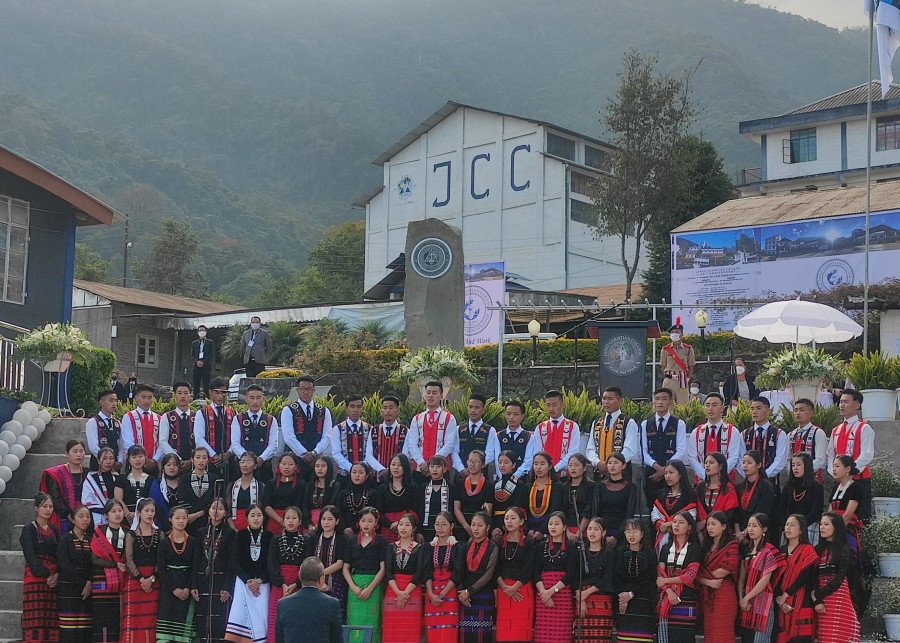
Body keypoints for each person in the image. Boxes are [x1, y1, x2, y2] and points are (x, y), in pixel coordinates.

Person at [225, 504, 273, 643]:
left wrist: (259, 581)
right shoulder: (240, 535)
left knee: (260, 617)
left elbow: (271, 562)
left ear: (263, 517)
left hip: (263, 585)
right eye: (252, 515)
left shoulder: (270, 537)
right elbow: (235, 561)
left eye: (259, 515)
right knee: (240, 615)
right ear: (247, 518)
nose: (256, 518)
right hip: (243, 584)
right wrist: (248, 580)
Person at [811, 512, 861, 643]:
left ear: (836, 527)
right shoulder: (817, 549)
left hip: (838, 597)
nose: (822, 527)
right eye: (821, 524)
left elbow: (839, 577)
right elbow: (813, 576)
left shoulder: (844, 549)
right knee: (824, 635)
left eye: (826, 524)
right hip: (821, 598)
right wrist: (817, 599)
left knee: (838, 635)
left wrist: (818, 594)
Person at [737, 512, 785, 643]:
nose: (750, 529)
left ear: (764, 529)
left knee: (760, 638)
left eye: (755, 526)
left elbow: (765, 580)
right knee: (747, 637)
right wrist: (742, 599)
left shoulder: (769, 551)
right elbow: (741, 578)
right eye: (749, 525)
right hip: (746, 602)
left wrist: (746, 598)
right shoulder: (747, 550)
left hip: (762, 600)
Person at [827, 389, 874, 520]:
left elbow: (867, 454)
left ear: (857, 405)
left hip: (859, 480)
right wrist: (834, 471)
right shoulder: (835, 430)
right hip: (840, 481)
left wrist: (850, 471)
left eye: (846, 402)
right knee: (836, 516)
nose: (842, 405)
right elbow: (830, 453)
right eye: (841, 402)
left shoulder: (864, 428)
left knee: (860, 517)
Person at [656, 511, 702, 643]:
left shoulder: (695, 549)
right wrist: (669, 591)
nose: (676, 525)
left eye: (681, 522)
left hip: (686, 600)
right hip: (666, 599)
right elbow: (660, 574)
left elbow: (689, 576)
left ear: (689, 528)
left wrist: (666, 581)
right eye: (674, 522)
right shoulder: (665, 548)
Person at [343, 506, 387, 643]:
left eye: (370, 521)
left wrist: (370, 588)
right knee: (354, 622)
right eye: (363, 520)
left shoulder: (381, 541)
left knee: (372, 621)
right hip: (354, 586)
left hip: (373, 586)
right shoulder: (351, 541)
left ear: (376, 524)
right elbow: (345, 568)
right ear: (358, 523)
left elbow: (383, 569)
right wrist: (353, 587)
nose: (366, 524)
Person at [192, 498, 234, 643]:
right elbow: (196, 560)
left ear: (226, 513)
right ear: (208, 511)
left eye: (221, 508)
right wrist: (193, 585)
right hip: (203, 581)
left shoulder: (230, 533)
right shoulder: (200, 532)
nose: (216, 511)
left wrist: (227, 586)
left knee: (219, 621)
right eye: (213, 508)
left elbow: (231, 562)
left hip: (220, 582)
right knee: (203, 620)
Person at [533, 511, 578, 643]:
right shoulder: (541, 546)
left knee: (560, 636)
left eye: (557, 524)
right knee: (543, 636)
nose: (553, 527)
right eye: (550, 523)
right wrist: (543, 593)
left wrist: (551, 592)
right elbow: (535, 572)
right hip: (542, 594)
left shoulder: (571, 548)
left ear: (564, 527)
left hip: (561, 594)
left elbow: (570, 574)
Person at [155, 504, 198, 643]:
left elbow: (195, 567)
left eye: (184, 518)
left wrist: (187, 588)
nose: (181, 521)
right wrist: (174, 589)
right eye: (177, 518)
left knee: (183, 624)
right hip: (169, 588)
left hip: (186, 585)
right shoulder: (164, 543)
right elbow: (161, 569)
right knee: (167, 625)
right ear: (170, 520)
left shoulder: (193, 542)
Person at [274, 557, 343, 643]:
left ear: (299, 576)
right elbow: (336, 639)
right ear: (322, 579)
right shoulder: (332, 604)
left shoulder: (283, 604)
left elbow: (279, 639)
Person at [21, 493, 59, 643]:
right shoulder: (28, 529)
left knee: (50, 619)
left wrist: (56, 574)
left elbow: (59, 554)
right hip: (36, 578)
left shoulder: (54, 530)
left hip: (52, 579)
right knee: (35, 620)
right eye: (44, 506)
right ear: (36, 508)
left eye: (50, 507)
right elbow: (30, 556)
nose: (48, 510)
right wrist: (46, 574)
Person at [640, 387, 687, 509]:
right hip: (651, 473)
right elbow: (643, 451)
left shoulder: (679, 424)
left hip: (673, 474)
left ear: (671, 402)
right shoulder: (645, 424)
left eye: (664, 399)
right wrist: (656, 466)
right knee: (651, 506)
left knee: (671, 506)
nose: (660, 402)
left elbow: (681, 449)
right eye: (657, 399)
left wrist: (665, 470)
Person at [122, 498, 161, 643]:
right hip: (135, 579)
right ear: (139, 512)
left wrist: (151, 579)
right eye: (146, 511)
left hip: (154, 580)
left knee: (151, 617)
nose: (150, 514)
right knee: (133, 618)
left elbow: (160, 560)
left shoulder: (159, 534)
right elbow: (129, 559)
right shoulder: (131, 535)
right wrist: (141, 579)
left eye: (152, 511)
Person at [775, 514, 819, 643]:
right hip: (782, 604)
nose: (788, 528)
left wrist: (785, 596)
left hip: (802, 601)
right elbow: (775, 577)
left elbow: (804, 577)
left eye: (792, 525)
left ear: (801, 530)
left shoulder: (808, 550)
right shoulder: (781, 551)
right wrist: (780, 599)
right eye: (787, 524)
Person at [493, 507, 534, 643]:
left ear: (521, 521)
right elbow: (496, 568)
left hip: (522, 590)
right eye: (506, 518)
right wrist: (505, 587)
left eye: (513, 518)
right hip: (503, 590)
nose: (509, 521)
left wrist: (515, 587)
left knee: (521, 630)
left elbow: (529, 569)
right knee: (505, 631)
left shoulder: (528, 543)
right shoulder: (499, 543)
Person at [266, 506, 306, 643]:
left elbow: (306, 565)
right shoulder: (276, 540)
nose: (290, 521)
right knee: (275, 618)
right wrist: (282, 584)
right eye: (287, 518)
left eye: (294, 518)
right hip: (279, 585)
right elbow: (271, 564)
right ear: (283, 520)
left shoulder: (306, 541)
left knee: (297, 618)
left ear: (300, 521)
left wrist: (295, 583)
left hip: (298, 585)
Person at [613, 518, 657, 643]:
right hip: (623, 603)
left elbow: (649, 579)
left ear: (642, 533)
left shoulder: (649, 554)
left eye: (635, 531)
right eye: (628, 531)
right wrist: (622, 596)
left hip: (643, 602)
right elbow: (616, 576)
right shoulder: (619, 552)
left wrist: (631, 594)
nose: (631, 535)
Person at [698, 510, 739, 642]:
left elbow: (726, 569)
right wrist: (707, 581)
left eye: (714, 524)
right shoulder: (706, 546)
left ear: (724, 526)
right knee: (710, 634)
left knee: (722, 634)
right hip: (708, 594)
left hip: (724, 592)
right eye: (708, 524)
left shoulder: (731, 545)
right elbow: (697, 572)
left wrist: (704, 576)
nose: (710, 527)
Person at [381, 512, 423, 643]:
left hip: (412, 592)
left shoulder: (420, 548)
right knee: (392, 631)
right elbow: (388, 573)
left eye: (407, 525)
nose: (403, 528)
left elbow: (419, 573)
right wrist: (398, 593)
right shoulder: (391, 547)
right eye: (401, 524)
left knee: (410, 631)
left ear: (414, 528)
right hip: (393, 591)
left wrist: (405, 593)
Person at [89, 498, 127, 643]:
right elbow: (95, 559)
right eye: (113, 511)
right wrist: (116, 565)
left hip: (122, 581)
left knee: (118, 617)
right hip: (101, 581)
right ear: (106, 515)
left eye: (119, 510)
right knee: (102, 617)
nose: (117, 514)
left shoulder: (128, 533)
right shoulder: (99, 532)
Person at [457, 511, 498, 643]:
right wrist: (462, 592)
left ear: (487, 528)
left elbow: (489, 574)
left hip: (483, 595)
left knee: (482, 636)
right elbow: (460, 570)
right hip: (465, 598)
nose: (475, 528)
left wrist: (469, 591)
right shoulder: (467, 545)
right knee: (466, 636)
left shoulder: (493, 548)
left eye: (479, 525)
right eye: (473, 524)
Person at [281, 376, 332, 480]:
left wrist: (314, 453)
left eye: (309, 389)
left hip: (318, 459)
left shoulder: (324, 410)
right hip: (296, 458)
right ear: (297, 390)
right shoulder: (288, 410)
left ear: (313, 390)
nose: (305, 392)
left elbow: (327, 435)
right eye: (302, 389)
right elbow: (288, 437)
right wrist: (304, 454)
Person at [404, 381, 460, 478]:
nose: (430, 396)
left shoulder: (449, 418)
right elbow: (412, 444)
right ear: (424, 395)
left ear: (442, 396)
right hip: (420, 469)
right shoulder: (417, 419)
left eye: (434, 393)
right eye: (428, 392)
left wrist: (431, 464)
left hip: (441, 469)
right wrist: (422, 463)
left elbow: (449, 445)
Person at [686, 392, 744, 482]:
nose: (710, 408)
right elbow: (692, 458)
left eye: (714, 405)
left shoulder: (732, 431)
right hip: (702, 481)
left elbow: (733, 457)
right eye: (707, 405)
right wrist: (705, 475)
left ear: (722, 408)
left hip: (726, 480)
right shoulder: (696, 432)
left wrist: (719, 474)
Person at [421, 511, 460, 642]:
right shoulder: (428, 547)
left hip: (449, 592)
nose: (440, 527)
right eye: (437, 524)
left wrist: (442, 594)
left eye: (444, 524)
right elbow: (426, 572)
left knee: (448, 632)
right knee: (433, 632)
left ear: (451, 526)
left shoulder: (457, 547)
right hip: (431, 592)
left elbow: (457, 572)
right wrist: (431, 594)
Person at [586, 386, 640, 480]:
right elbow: (590, 448)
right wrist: (597, 462)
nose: (606, 402)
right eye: (604, 399)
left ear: (620, 401)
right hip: (600, 473)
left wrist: (613, 465)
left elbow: (630, 449)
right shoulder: (597, 423)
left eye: (610, 399)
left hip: (621, 475)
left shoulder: (628, 422)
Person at [56, 505, 92, 643]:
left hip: (87, 590)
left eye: (87, 516)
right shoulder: (65, 539)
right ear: (72, 519)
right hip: (69, 587)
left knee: (84, 627)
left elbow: (93, 563)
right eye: (81, 516)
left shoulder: (90, 539)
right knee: (69, 627)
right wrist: (83, 583)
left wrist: (89, 582)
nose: (85, 520)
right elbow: (65, 565)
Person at [577, 517, 615, 643]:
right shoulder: (579, 552)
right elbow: (575, 576)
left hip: (601, 601)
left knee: (600, 638)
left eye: (596, 529)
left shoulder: (609, 553)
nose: (592, 532)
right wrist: (581, 599)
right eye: (589, 529)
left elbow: (607, 578)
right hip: (581, 599)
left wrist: (586, 594)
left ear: (604, 533)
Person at [231, 385, 279, 482]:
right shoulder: (238, 419)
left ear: (263, 399)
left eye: (258, 398)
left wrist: (261, 459)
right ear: (246, 399)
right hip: (243, 467)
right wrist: (247, 459)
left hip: (264, 466)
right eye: (252, 398)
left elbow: (273, 445)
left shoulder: (271, 420)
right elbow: (235, 443)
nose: (255, 402)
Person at [307, 505, 347, 618]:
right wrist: (318, 580)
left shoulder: (342, 539)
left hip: (335, 581)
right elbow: (309, 561)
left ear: (337, 521)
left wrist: (321, 575)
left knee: (334, 615)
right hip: (314, 580)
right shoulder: (313, 538)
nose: (326, 522)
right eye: (323, 519)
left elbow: (340, 563)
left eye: (330, 519)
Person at [526, 390, 580, 475]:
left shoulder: (572, 426)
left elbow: (573, 452)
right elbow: (537, 452)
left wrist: (557, 468)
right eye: (548, 405)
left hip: (565, 475)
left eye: (554, 405)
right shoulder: (540, 428)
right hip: (544, 475)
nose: (551, 408)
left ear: (562, 405)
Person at [651, 459, 697, 555]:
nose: (668, 476)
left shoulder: (689, 495)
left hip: (682, 538)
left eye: (671, 472)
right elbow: (655, 514)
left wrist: (670, 525)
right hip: (662, 537)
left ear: (680, 474)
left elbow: (691, 516)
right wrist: (661, 525)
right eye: (666, 473)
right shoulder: (661, 494)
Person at [40, 439, 87, 532]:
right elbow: (54, 497)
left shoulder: (89, 473)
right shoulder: (55, 474)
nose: (78, 454)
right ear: (67, 454)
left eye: (81, 451)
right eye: (75, 451)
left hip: (86, 518)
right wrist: (69, 514)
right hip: (64, 516)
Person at [592, 453, 638, 546]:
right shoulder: (599, 486)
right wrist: (602, 533)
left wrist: (616, 536)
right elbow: (595, 512)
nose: (612, 466)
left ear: (623, 466)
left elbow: (629, 514)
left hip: (622, 532)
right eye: (609, 463)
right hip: (601, 532)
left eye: (616, 463)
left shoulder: (630, 488)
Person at [193, 377, 235, 478]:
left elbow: (236, 438)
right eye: (217, 392)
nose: (221, 396)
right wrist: (214, 455)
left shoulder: (233, 413)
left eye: (224, 393)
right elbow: (199, 438)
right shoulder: (202, 413)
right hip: (209, 461)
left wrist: (228, 453)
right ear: (211, 392)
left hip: (229, 460)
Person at [779, 452, 824, 545]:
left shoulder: (816, 487)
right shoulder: (788, 487)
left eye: (798, 465)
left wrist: (800, 527)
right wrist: (786, 526)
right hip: (789, 528)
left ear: (807, 466)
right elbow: (781, 510)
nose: (795, 468)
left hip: (809, 527)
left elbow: (816, 512)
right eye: (793, 465)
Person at [743, 396, 789, 484]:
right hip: (748, 481)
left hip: (771, 481)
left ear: (768, 410)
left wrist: (764, 475)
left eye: (758, 408)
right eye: (752, 408)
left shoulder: (779, 434)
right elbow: (741, 458)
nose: (754, 412)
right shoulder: (745, 434)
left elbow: (780, 460)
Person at [120, 384, 163, 474]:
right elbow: (128, 442)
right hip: (134, 464)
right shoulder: (129, 417)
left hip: (153, 465)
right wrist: (142, 459)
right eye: (143, 397)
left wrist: (154, 459)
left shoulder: (158, 418)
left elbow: (162, 442)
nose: (146, 401)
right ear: (136, 398)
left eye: (149, 397)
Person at [452, 393, 499, 476]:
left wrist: (475, 468)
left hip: (481, 475)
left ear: (483, 410)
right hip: (461, 475)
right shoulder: (458, 429)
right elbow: (454, 452)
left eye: (477, 407)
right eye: (470, 407)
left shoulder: (490, 431)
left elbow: (490, 454)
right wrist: (462, 469)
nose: (473, 410)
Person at [365, 394, 410, 481]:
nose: (387, 411)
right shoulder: (374, 430)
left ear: (398, 410)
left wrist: (391, 471)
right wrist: (381, 469)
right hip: (377, 476)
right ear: (381, 410)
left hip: (398, 477)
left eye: (391, 408)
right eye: (384, 408)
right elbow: (369, 454)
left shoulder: (405, 431)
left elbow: (405, 455)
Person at [330, 394, 374, 482]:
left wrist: (362, 468)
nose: (355, 410)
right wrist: (351, 468)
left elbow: (371, 452)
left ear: (362, 409)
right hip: (344, 474)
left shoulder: (370, 429)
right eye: (352, 406)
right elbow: (336, 453)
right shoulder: (337, 429)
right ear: (346, 408)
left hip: (365, 475)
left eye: (358, 407)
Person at [374, 453, 416, 543]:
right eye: (393, 464)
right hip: (386, 528)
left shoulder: (413, 488)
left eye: (400, 465)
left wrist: (400, 523)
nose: (396, 467)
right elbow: (378, 512)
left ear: (405, 467)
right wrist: (390, 525)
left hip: (407, 526)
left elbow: (415, 510)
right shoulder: (382, 488)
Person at [454, 450, 494, 541]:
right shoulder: (460, 484)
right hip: (462, 526)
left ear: (483, 465)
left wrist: (478, 527)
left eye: (477, 462)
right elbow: (456, 508)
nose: (472, 464)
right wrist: (467, 527)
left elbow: (488, 511)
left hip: (479, 527)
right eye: (470, 461)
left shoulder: (488, 485)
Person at [736, 450, 778, 535]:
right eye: (743, 462)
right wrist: (738, 532)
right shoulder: (739, 486)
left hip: (758, 529)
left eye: (749, 463)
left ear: (759, 465)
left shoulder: (766, 486)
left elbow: (762, 511)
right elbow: (736, 513)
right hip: (740, 531)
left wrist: (745, 533)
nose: (745, 466)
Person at [524, 451, 564, 540]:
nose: (538, 467)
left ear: (549, 466)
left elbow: (554, 509)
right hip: (530, 530)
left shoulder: (556, 486)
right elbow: (524, 510)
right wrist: (527, 530)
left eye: (542, 464)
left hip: (549, 529)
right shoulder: (528, 486)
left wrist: (542, 530)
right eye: (535, 464)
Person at [414, 456, 455, 542]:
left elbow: (452, 510)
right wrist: (418, 532)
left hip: (444, 529)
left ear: (444, 469)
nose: (435, 469)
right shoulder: (423, 487)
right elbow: (420, 510)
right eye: (432, 467)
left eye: (438, 466)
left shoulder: (451, 487)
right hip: (426, 529)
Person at [178, 446, 218, 534]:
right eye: (198, 457)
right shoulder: (184, 478)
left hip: (208, 519)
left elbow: (215, 501)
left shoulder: (214, 479)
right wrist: (191, 515)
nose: (201, 461)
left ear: (208, 460)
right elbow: (181, 500)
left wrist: (198, 514)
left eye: (204, 458)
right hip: (189, 520)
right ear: (192, 459)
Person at [263, 453, 306, 536]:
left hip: (293, 519)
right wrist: (280, 520)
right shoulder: (271, 483)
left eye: (290, 464)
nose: (286, 467)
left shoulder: (301, 484)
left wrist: (289, 519)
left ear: (296, 467)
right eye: (283, 464)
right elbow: (267, 506)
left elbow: (300, 505)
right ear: (278, 465)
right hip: (274, 519)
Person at [696, 451, 739, 532]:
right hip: (701, 532)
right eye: (705, 463)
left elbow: (729, 515)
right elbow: (697, 510)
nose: (707, 465)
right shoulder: (700, 487)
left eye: (711, 463)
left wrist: (706, 523)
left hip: (722, 531)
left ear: (720, 466)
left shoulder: (728, 488)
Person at [787, 398, 828, 481]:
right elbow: (788, 458)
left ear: (811, 413)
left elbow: (821, 459)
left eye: (801, 410)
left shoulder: (818, 433)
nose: (798, 413)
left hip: (813, 477)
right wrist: (793, 471)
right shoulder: (791, 435)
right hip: (794, 478)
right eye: (795, 410)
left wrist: (804, 470)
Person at [158, 382, 196, 468]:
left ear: (190, 396)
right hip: (172, 463)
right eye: (179, 393)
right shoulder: (167, 417)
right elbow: (163, 441)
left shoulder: (197, 417)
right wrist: (177, 459)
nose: (183, 396)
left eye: (186, 393)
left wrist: (192, 460)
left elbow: (200, 440)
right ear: (174, 396)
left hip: (194, 463)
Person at [830, 455, 863, 551]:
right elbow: (830, 510)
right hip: (832, 527)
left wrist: (835, 531)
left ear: (847, 468)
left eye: (837, 466)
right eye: (833, 466)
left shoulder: (855, 487)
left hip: (846, 528)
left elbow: (848, 515)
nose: (834, 469)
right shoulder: (835, 487)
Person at [114, 445, 153, 526]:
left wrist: (139, 514)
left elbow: (152, 499)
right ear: (129, 459)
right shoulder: (121, 478)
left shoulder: (151, 479)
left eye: (140, 456)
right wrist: (128, 514)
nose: (137, 459)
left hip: (146, 517)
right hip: (125, 517)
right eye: (134, 457)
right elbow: (118, 498)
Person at [494, 400, 532, 479]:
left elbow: (528, 460)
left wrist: (515, 477)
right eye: (508, 414)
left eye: (515, 414)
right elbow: (497, 459)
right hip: (501, 479)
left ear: (522, 416)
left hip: (521, 480)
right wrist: (502, 477)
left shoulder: (529, 437)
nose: (511, 417)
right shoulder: (498, 436)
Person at [84, 389, 122, 469]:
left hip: (115, 466)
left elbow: (121, 445)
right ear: (101, 402)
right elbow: (93, 447)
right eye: (111, 400)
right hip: (98, 465)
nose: (114, 404)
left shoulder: (117, 423)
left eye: (116, 401)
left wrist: (120, 461)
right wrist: (106, 460)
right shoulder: (93, 422)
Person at [660, 317, 695, 403]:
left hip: (682, 380)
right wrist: (668, 376)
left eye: (676, 332)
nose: (674, 334)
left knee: (682, 407)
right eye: (672, 332)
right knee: (668, 406)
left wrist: (688, 378)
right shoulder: (665, 349)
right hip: (669, 380)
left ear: (681, 334)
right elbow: (663, 366)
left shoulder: (688, 349)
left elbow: (691, 366)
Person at [490, 451, 526, 535]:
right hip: (496, 524)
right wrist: (493, 528)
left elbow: (519, 509)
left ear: (513, 465)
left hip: (512, 524)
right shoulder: (495, 484)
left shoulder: (519, 484)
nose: (502, 465)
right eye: (500, 462)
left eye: (506, 462)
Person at [82, 446, 118, 527]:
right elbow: (86, 500)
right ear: (98, 461)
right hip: (97, 516)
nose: (108, 462)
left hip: (117, 516)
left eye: (111, 458)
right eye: (105, 458)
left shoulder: (118, 477)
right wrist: (106, 511)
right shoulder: (91, 478)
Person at [149, 453, 185, 531]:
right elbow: (155, 508)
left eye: (175, 465)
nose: (172, 468)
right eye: (168, 465)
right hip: (163, 528)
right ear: (163, 468)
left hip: (184, 526)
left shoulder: (184, 484)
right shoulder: (157, 485)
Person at [304, 455, 340, 531]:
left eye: (323, 466)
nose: (320, 469)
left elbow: (333, 505)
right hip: (310, 524)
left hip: (328, 522)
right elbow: (305, 505)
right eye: (317, 466)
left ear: (329, 467)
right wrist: (309, 524)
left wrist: (319, 525)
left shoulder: (334, 485)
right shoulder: (310, 485)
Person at [339, 461, 376, 536]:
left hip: (366, 531)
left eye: (361, 473)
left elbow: (374, 515)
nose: (357, 475)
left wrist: (354, 528)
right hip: (344, 531)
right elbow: (338, 513)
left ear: (366, 476)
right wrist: (345, 529)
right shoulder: (343, 494)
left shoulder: (373, 494)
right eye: (354, 472)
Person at [562, 453, 595, 536]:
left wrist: (579, 532)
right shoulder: (564, 487)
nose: (573, 468)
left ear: (584, 468)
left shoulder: (591, 486)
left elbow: (589, 510)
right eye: (570, 465)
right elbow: (561, 510)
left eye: (576, 465)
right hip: (565, 528)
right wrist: (566, 531)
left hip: (584, 528)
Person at [228, 451, 261, 531]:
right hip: (234, 526)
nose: (245, 465)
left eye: (249, 462)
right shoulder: (232, 486)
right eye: (242, 462)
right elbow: (228, 511)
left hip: (254, 525)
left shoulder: (260, 486)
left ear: (255, 466)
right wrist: (234, 529)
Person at [191, 325, 215, 400]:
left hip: (206, 366)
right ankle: (195, 400)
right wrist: (197, 361)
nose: (202, 332)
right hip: (196, 366)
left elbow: (211, 354)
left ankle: (206, 399)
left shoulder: (210, 342)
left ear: (206, 332)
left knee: (206, 385)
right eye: (200, 330)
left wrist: (203, 362)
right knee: (196, 385)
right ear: (198, 332)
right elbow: (192, 354)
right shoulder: (194, 343)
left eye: (203, 330)